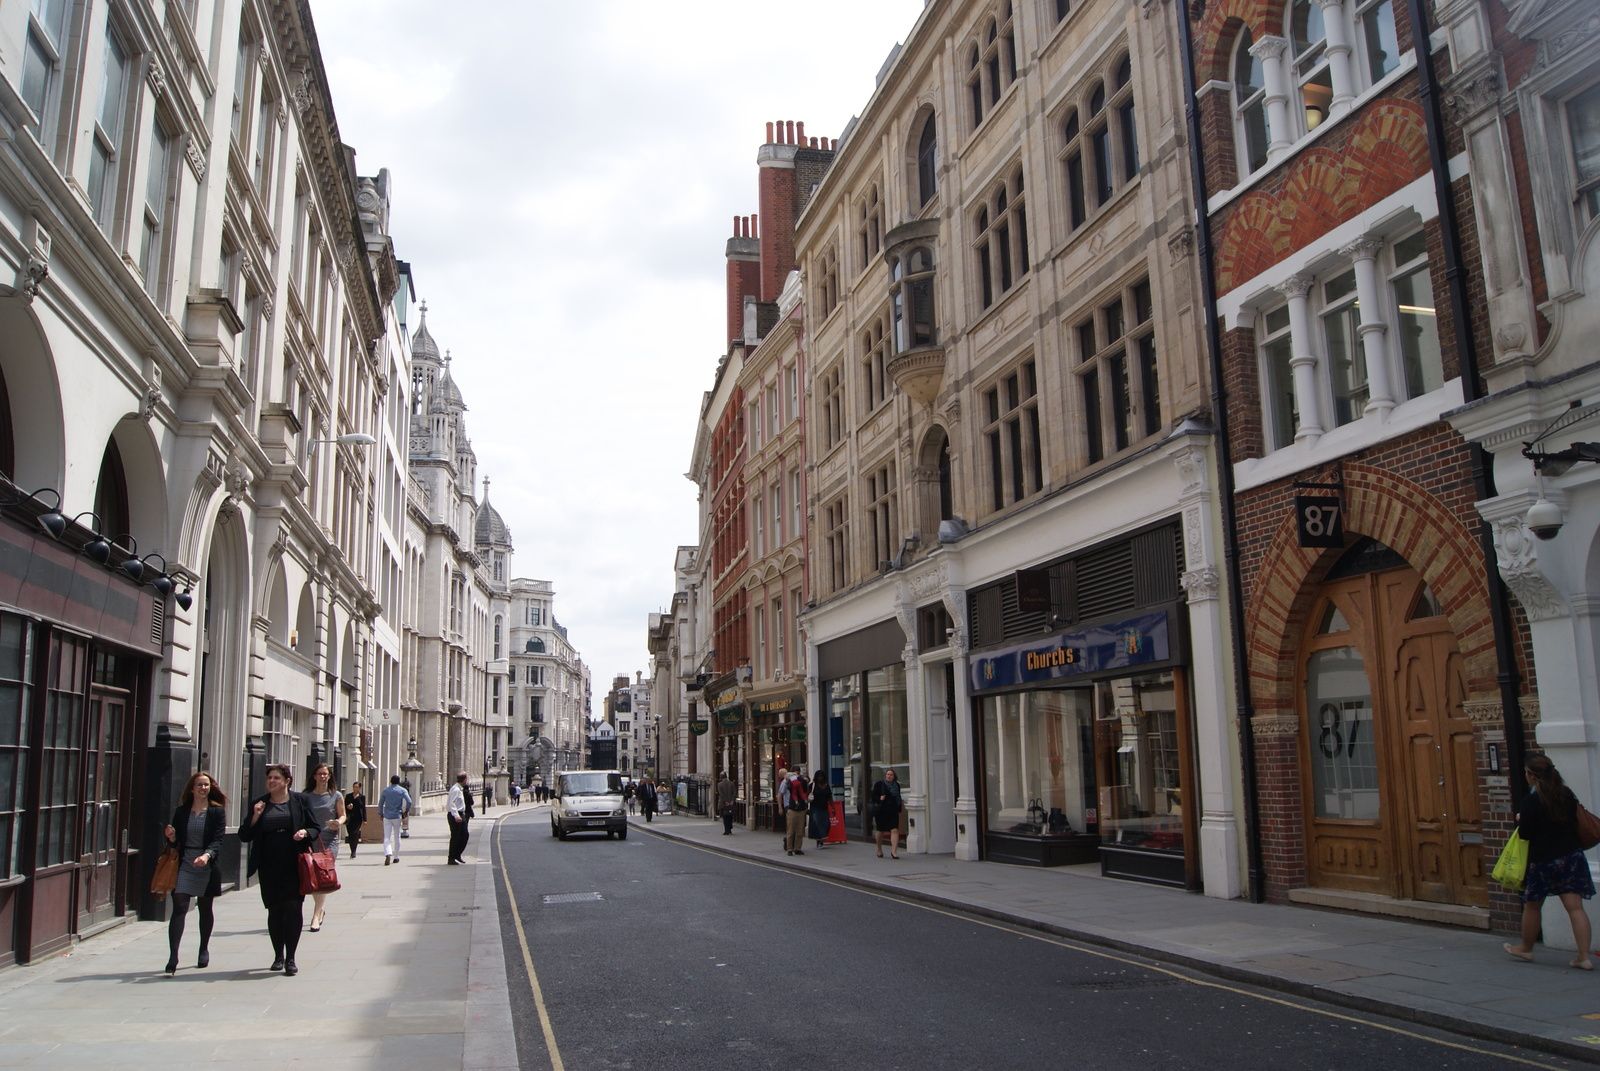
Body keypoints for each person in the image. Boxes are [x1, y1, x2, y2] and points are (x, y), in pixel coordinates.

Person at [1504, 754, 1594, 969]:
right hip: (1571, 856)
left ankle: (1526, 948)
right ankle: (1584, 956)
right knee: (1575, 907)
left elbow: (1525, 834)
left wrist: (1520, 819)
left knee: (1533, 905)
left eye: (1526, 773)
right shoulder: (1565, 794)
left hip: (1543, 859)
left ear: (1532, 776)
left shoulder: (1531, 801)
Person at [237, 763, 321, 975]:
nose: (271, 782)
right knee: (275, 911)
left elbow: (315, 828)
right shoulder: (260, 804)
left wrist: (304, 833)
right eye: (269, 778)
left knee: (293, 908)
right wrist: (255, 816)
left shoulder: (300, 801)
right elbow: (244, 834)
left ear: (287, 781)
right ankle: (278, 955)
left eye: (276, 778)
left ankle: (291, 958)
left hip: (295, 863)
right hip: (269, 865)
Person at [162, 770, 227, 975]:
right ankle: (173, 956)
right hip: (186, 862)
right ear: (192, 788)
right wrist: (171, 837)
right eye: (199, 785)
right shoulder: (182, 812)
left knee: (205, 908)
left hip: (206, 863)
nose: (203, 788)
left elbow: (218, 840)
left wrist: (207, 855)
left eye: (206, 785)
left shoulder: (217, 812)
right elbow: (176, 841)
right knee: (179, 905)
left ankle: (203, 948)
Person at [303, 763, 344, 932]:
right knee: (314, 876)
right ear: (314, 776)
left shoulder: (336, 795)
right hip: (311, 840)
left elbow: (342, 815)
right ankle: (320, 910)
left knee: (323, 875)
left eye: (325, 774)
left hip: (329, 841)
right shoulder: (305, 796)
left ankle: (315, 916)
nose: (323, 777)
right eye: (320, 773)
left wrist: (338, 823)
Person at [378, 774, 412, 865]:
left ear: (390, 781)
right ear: (399, 782)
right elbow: (409, 801)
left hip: (387, 816)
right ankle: (396, 857)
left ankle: (388, 853)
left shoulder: (386, 790)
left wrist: (381, 813)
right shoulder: (402, 790)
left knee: (387, 837)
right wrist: (406, 811)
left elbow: (380, 803)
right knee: (397, 836)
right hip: (397, 815)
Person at [871, 767, 903, 859]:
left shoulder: (896, 785)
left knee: (895, 830)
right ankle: (879, 849)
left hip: (893, 811)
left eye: (891, 775)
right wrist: (879, 798)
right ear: (885, 776)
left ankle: (894, 852)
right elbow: (873, 797)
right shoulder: (879, 784)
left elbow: (898, 797)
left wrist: (899, 808)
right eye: (887, 774)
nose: (889, 776)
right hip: (881, 811)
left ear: (894, 776)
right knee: (880, 831)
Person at [779, 768, 808, 856]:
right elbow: (781, 793)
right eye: (795, 773)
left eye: (798, 773)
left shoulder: (802, 781)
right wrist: (780, 807)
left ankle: (797, 848)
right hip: (791, 808)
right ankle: (789, 849)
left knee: (800, 830)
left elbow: (805, 791)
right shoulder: (788, 782)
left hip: (801, 808)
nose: (796, 775)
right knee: (791, 830)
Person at [447, 772, 471, 864]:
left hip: (461, 814)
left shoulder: (459, 789)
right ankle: (451, 858)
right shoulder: (456, 789)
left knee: (464, 835)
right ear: (464, 779)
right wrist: (456, 815)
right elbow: (452, 803)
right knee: (456, 837)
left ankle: (457, 854)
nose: (467, 781)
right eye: (466, 779)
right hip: (456, 815)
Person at [808, 772, 833, 850]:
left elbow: (829, 797)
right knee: (817, 823)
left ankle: (822, 838)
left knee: (826, 823)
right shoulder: (812, 785)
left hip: (824, 807)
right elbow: (807, 795)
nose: (820, 778)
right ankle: (819, 841)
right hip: (815, 807)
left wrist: (832, 807)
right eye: (819, 776)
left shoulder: (826, 785)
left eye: (822, 776)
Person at [343, 781, 367, 859]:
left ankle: (354, 852)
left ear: (360, 788)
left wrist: (365, 819)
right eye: (354, 787)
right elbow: (344, 806)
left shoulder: (362, 797)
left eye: (357, 787)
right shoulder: (348, 796)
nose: (355, 788)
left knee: (355, 834)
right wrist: (348, 807)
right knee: (350, 834)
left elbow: (363, 808)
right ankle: (352, 849)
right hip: (349, 817)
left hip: (358, 818)